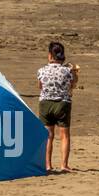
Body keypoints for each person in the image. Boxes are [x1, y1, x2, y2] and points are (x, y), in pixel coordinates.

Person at [37, 41, 79, 172]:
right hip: (62, 103)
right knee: (64, 136)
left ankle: (47, 165)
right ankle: (64, 165)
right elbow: (72, 85)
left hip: (45, 103)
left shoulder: (41, 70)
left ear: (50, 55)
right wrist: (75, 73)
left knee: (48, 135)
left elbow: (40, 86)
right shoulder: (67, 71)